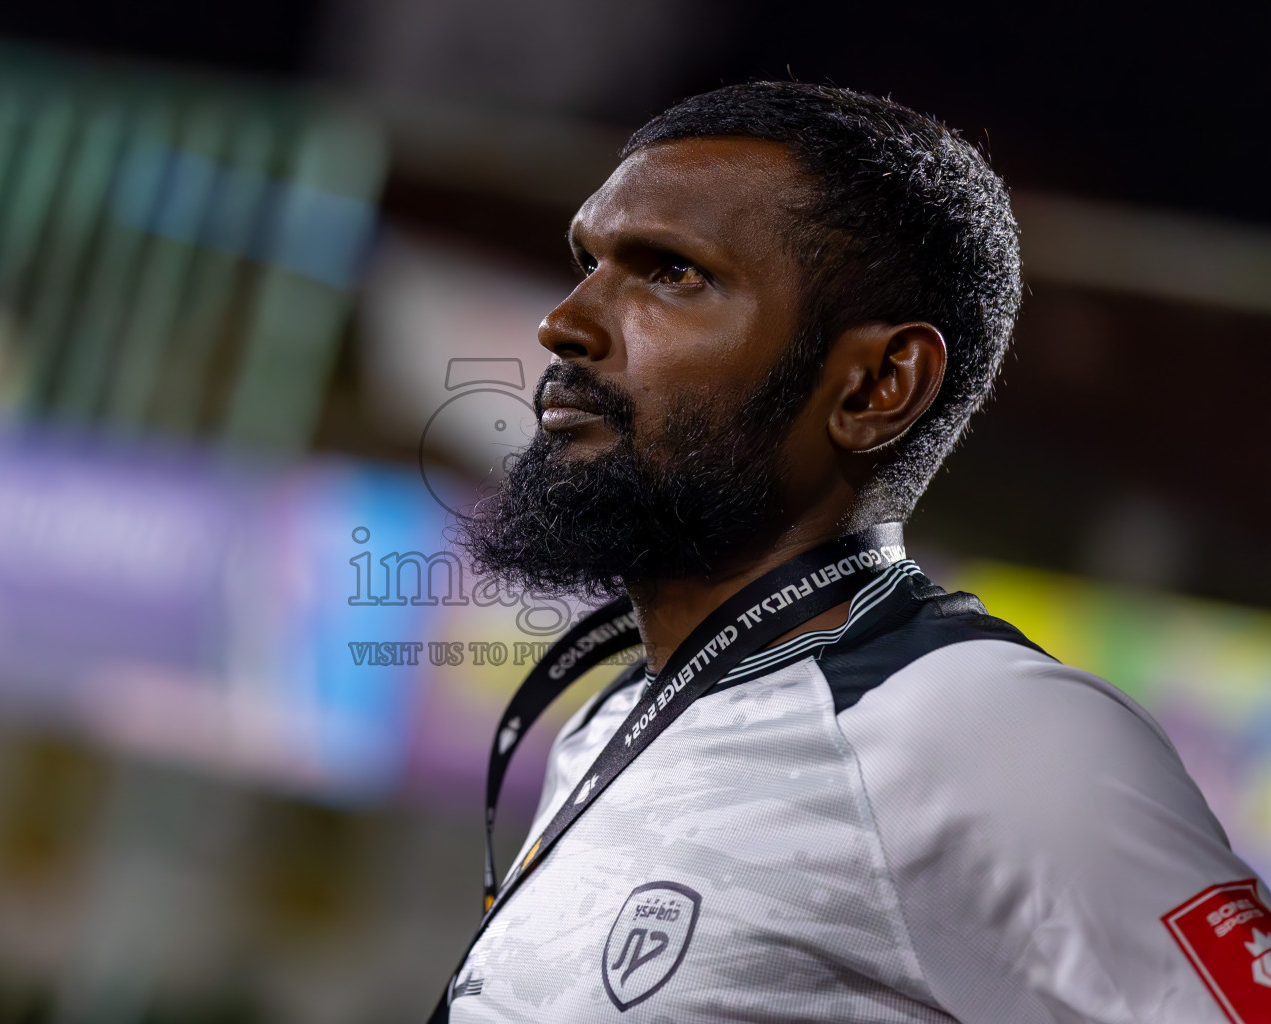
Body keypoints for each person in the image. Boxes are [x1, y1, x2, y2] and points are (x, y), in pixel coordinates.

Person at [430, 81, 1268, 1023]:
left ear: (876, 385)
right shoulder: (616, 717)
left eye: (672, 273)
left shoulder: (985, 731)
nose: (565, 323)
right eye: (587, 261)